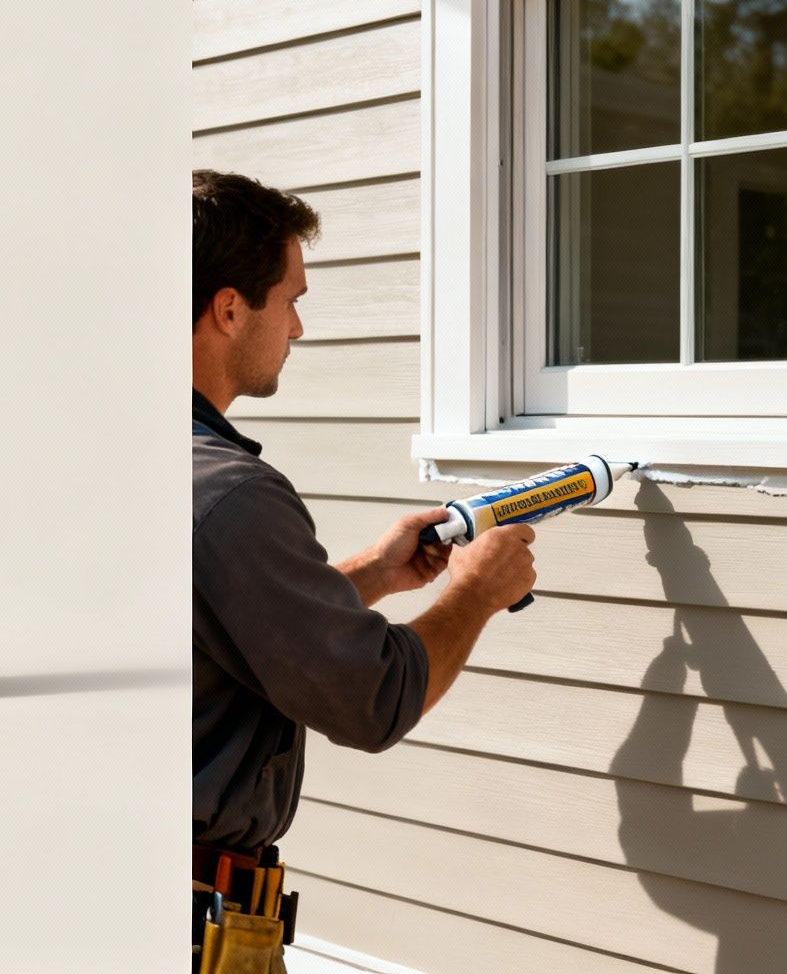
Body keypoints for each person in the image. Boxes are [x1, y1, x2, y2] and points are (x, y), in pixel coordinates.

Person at [191, 170, 538, 971]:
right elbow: (374, 699)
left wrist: (374, 575)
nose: (300, 328)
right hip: (188, 921)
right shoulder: (231, 493)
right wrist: (477, 592)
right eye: (291, 299)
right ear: (230, 308)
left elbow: (220, 629)